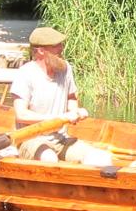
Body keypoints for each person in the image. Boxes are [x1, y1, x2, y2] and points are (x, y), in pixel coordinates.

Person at [8, 26, 114, 165]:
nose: (61, 48)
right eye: (56, 45)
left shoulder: (65, 69)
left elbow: (71, 98)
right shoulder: (25, 74)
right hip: (29, 139)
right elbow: (22, 115)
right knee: (49, 159)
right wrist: (59, 118)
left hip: (61, 139)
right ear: (41, 50)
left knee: (101, 158)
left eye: (61, 44)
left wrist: (74, 112)